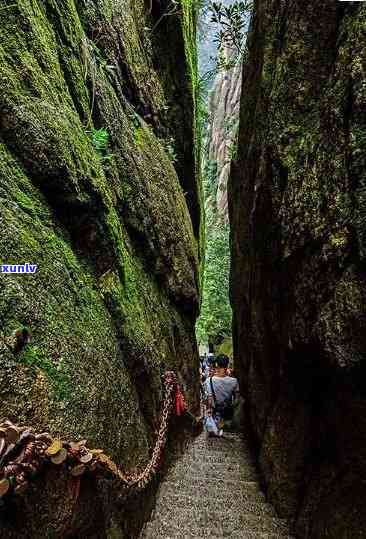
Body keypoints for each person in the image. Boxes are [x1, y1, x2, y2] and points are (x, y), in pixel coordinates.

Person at [205, 354, 239, 437]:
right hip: (227, 414)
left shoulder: (209, 380)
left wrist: (209, 410)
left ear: (216, 365)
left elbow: (209, 400)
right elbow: (237, 399)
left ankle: (216, 427)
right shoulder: (234, 381)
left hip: (215, 413)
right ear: (227, 365)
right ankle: (223, 425)